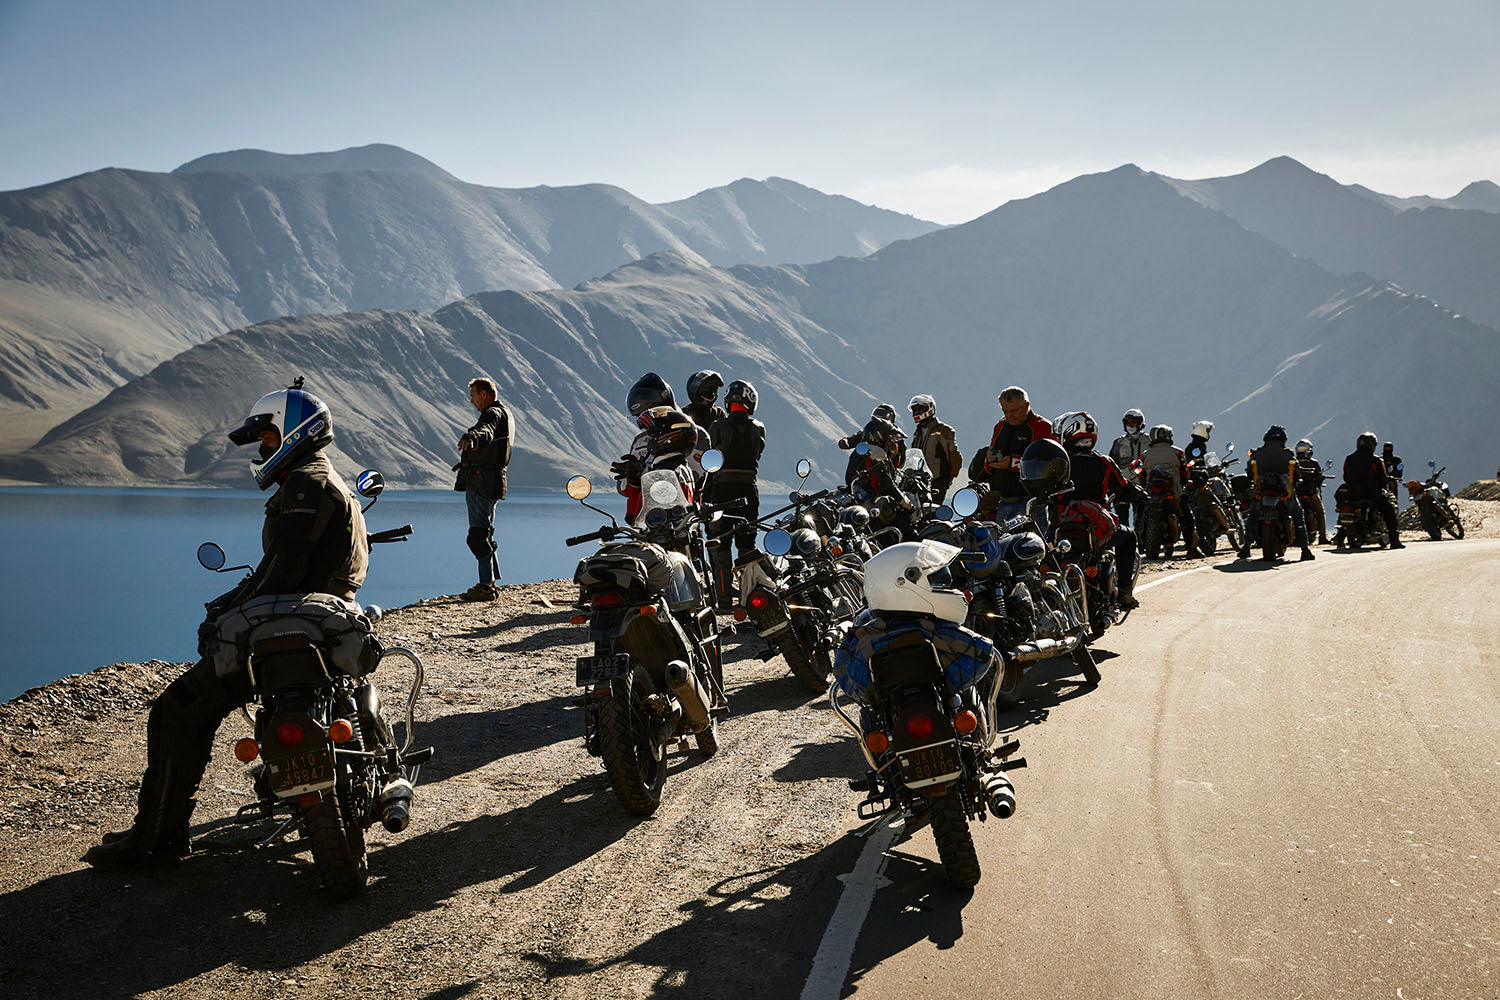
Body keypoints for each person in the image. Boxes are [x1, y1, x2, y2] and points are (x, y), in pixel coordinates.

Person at [85, 381, 369, 870]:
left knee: (175, 712)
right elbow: (284, 566)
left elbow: (283, 571)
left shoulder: (307, 484)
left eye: (266, 438)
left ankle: (156, 839)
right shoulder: (324, 479)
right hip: (320, 624)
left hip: (290, 631)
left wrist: (224, 615)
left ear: (293, 431)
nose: (261, 449)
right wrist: (233, 599)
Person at [1054, 412, 1146, 608]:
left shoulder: (1058, 461)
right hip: (1095, 530)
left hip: (1060, 528)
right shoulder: (1103, 462)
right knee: (1128, 537)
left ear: (1068, 432)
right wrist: (1141, 494)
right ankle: (1124, 593)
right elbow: (1124, 488)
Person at [706, 380, 766, 609]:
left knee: (720, 543)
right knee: (747, 543)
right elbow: (758, 454)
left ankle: (723, 599)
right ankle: (747, 598)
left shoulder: (717, 427)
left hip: (720, 490)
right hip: (749, 489)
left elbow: (710, 459)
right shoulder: (758, 428)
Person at [455, 377, 512, 601]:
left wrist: (471, 437)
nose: (471, 401)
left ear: (485, 394)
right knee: (485, 533)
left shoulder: (492, 414)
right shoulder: (503, 413)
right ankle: (491, 582)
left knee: (477, 536)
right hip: (492, 481)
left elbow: (484, 430)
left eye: (473, 395)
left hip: (482, 481)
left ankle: (486, 585)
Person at [975, 386, 1056, 525]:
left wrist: (1012, 463)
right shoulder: (1000, 426)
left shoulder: (1043, 427)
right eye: (1005, 411)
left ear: (1027, 406)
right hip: (1003, 501)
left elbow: (1048, 466)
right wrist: (990, 460)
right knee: (1002, 545)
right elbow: (991, 458)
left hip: (1031, 502)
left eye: (1014, 411)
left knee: (1034, 544)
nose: (1009, 415)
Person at [1238, 425, 1315, 561]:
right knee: (1298, 515)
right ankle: (1305, 550)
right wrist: (1296, 479)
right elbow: (1296, 471)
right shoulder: (1288, 453)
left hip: (1261, 492)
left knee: (1253, 515)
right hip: (1284, 492)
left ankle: (1246, 547)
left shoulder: (1258, 453)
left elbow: (1249, 471)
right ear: (1283, 440)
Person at [614, 373, 677, 523]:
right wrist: (632, 477)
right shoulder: (640, 442)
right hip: (644, 520)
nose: (644, 420)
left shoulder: (690, 433)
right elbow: (623, 488)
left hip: (680, 516)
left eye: (651, 413)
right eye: (639, 416)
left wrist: (648, 471)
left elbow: (697, 476)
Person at [1141, 424, 1203, 558]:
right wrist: (1183, 483)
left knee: (1142, 516)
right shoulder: (1178, 452)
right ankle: (1191, 548)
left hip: (1152, 494)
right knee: (1186, 518)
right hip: (1174, 493)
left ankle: (1142, 544)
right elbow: (1185, 472)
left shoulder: (1145, 455)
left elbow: (1142, 476)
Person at [1339, 432, 1404, 549]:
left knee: (1346, 508)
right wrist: (1384, 486)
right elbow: (1383, 478)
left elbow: (1345, 475)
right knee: (1389, 511)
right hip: (1371, 492)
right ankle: (1395, 541)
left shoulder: (1349, 458)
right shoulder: (1375, 460)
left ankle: (1340, 538)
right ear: (1372, 445)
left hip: (1352, 492)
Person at [908, 394, 962, 503]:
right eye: (915, 409)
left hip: (938, 478)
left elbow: (955, 456)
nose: (917, 412)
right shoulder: (917, 432)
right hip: (919, 479)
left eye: (920, 408)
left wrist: (950, 478)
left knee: (933, 510)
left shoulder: (944, 430)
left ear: (930, 408)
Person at [1108, 408, 1147, 527]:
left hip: (1143, 485)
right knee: (1122, 519)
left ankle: (1141, 543)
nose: (1130, 426)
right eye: (1127, 423)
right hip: (1123, 486)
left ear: (1140, 424)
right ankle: (1125, 543)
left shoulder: (1149, 440)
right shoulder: (1119, 442)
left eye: (1133, 423)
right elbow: (1112, 463)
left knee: (1141, 518)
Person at [1294, 438, 1331, 545]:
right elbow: (1318, 477)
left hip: (1296, 493)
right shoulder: (1313, 463)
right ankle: (1322, 537)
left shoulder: (1293, 461)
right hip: (1310, 493)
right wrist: (1321, 478)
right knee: (1320, 511)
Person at [1381, 442, 1405, 510]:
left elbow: (1400, 470)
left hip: (1392, 482)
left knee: (1394, 500)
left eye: (1389, 449)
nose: (1387, 450)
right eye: (1386, 449)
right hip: (1382, 483)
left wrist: (1397, 476)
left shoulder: (1396, 460)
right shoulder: (1380, 460)